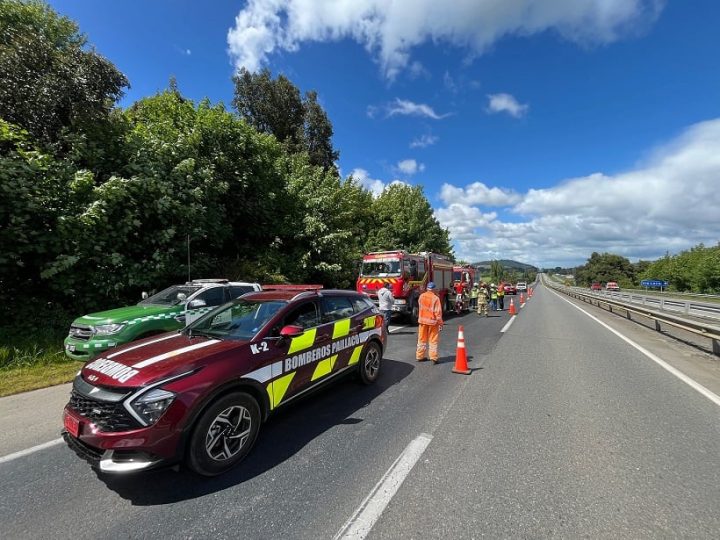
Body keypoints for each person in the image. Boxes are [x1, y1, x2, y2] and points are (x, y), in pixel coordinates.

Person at [416, 282, 444, 364]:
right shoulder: (436, 298)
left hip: (422, 321)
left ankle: (420, 356)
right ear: (434, 289)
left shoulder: (421, 296)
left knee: (421, 339)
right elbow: (438, 313)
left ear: (427, 288)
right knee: (433, 340)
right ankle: (433, 357)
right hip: (432, 322)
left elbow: (420, 307)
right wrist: (440, 323)